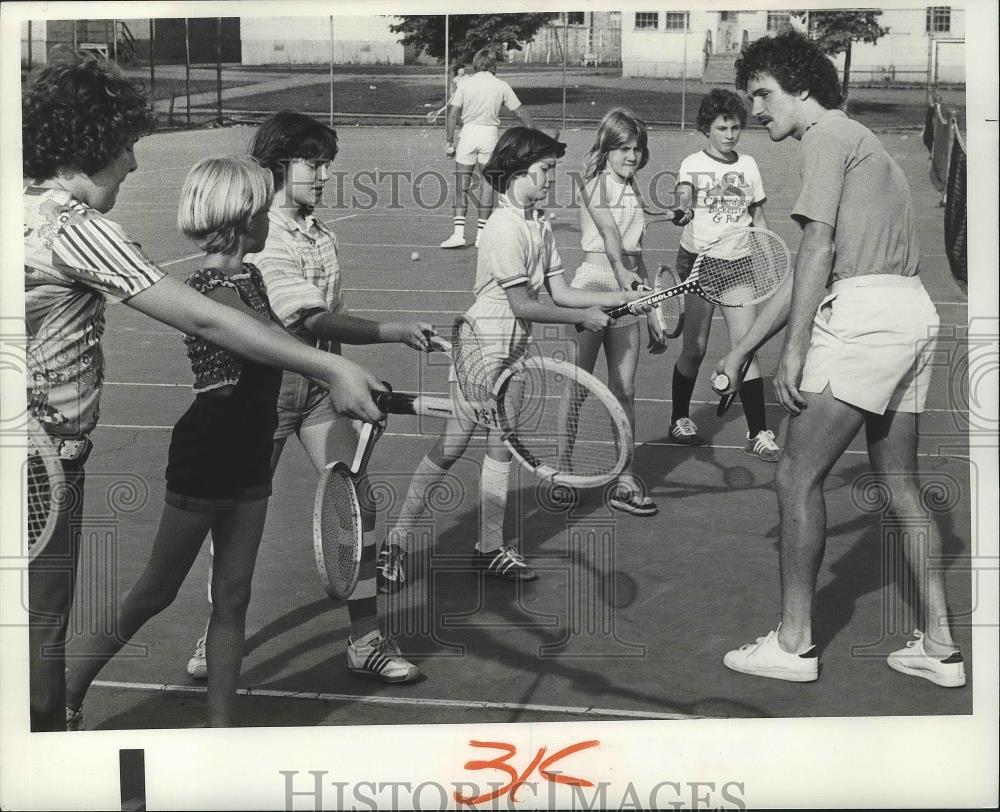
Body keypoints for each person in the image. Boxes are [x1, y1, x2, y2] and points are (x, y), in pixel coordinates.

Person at [23, 58, 383, 732]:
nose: (133, 162)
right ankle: (54, 730)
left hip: (56, 457)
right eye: (127, 143)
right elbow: (207, 319)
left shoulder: (24, 208)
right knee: (44, 640)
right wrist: (332, 369)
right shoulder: (69, 226)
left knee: (41, 633)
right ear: (91, 143)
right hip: (46, 461)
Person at [718, 31, 964, 687]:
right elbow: (813, 268)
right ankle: (938, 646)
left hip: (865, 319)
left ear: (800, 86)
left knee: (796, 474)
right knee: (901, 484)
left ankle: (794, 644)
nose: (756, 111)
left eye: (763, 95)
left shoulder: (826, 136)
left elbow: (818, 250)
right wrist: (744, 347)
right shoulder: (865, 144)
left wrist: (792, 351)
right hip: (912, 313)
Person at [183, 111, 430, 685]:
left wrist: (342, 382)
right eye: (312, 165)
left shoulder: (321, 233)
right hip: (264, 394)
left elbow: (325, 328)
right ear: (276, 168)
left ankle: (365, 641)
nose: (322, 176)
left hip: (320, 392)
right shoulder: (259, 233)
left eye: (326, 165)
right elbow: (310, 316)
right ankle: (217, 632)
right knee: (238, 519)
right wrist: (391, 331)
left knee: (355, 506)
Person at [377, 127, 650, 592]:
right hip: (483, 348)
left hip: (516, 353)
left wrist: (624, 295)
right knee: (453, 444)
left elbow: (559, 291)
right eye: (544, 171)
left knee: (500, 447)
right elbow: (524, 303)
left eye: (552, 172)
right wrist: (585, 315)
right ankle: (397, 542)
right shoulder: (503, 227)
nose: (550, 180)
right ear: (518, 172)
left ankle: (488, 548)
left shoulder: (538, 223)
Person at [667, 89, 781, 462]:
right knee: (695, 349)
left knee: (746, 348)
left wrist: (771, 262)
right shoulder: (691, 164)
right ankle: (680, 418)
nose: (730, 134)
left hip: (738, 263)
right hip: (700, 261)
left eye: (734, 127)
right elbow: (684, 194)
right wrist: (683, 208)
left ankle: (757, 432)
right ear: (707, 128)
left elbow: (758, 218)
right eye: (722, 127)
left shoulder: (748, 165)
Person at [569, 108, 661, 515]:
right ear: (606, 149)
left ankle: (624, 478)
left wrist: (652, 311)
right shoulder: (593, 184)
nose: (631, 156)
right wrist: (623, 276)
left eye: (637, 149)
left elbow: (635, 252)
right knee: (576, 389)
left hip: (629, 294)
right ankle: (562, 471)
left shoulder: (635, 188)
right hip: (592, 288)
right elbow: (608, 237)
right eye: (623, 148)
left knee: (624, 390)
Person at [440, 48, 534, 249]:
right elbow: (520, 112)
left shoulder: (465, 84)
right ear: (493, 65)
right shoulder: (501, 85)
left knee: (461, 187)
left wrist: (449, 142)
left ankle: (458, 235)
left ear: (475, 64)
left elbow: (452, 114)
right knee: (487, 187)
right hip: (490, 136)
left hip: (468, 135)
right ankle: (481, 237)